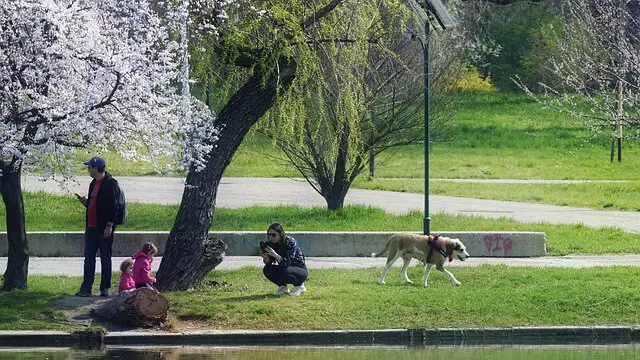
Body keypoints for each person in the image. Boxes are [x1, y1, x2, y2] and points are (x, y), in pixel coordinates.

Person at [75, 156, 119, 297]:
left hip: (104, 228)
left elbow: (114, 207)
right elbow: (95, 205)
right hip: (91, 227)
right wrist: (86, 203)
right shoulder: (93, 183)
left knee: (105, 258)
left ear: (96, 169)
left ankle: (104, 288)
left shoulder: (111, 184)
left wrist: (109, 226)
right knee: (89, 258)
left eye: (89, 168)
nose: (88, 170)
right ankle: (86, 288)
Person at [261, 223, 308, 296]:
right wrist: (266, 258)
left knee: (285, 271)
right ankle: (282, 286)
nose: (271, 237)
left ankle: (300, 286)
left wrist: (275, 254)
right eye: (269, 235)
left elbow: (287, 262)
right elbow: (271, 262)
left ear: (281, 233)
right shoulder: (273, 243)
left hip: (300, 270)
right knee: (267, 269)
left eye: (273, 235)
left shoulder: (290, 242)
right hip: (284, 268)